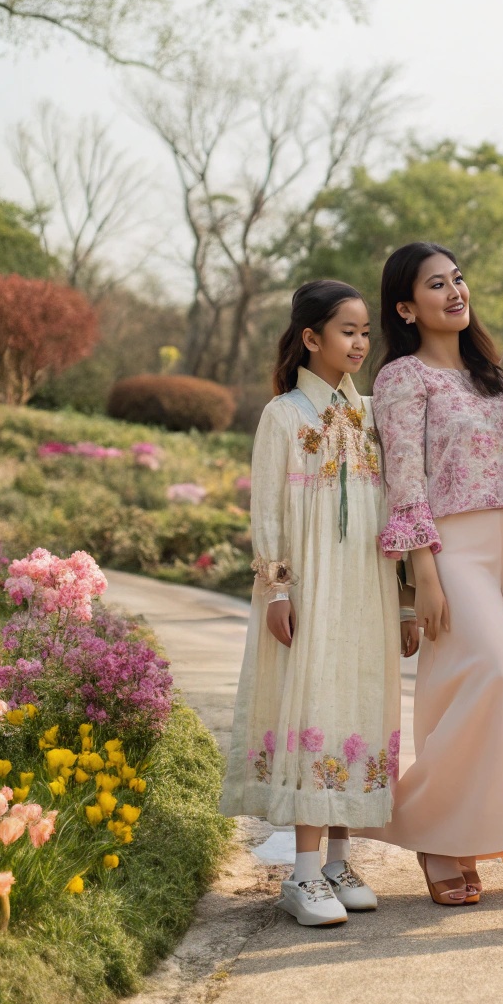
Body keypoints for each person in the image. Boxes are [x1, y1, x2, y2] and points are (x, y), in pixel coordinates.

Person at [371, 242, 503, 905]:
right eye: (435, 285)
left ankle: (462, 835)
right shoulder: (402, 378)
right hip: (452, 547)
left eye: (457, 279)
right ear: (405, 306)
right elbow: (404, 476)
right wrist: (421, 570)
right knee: (493, 672)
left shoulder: (494, 373)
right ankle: (426, 824)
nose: (455, 292)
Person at [221, 279, 411, 928]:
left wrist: (407, 600)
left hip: (367, 587)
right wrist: (277, 587)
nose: (360, 343)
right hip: (310, 584)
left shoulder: (371, 416)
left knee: (354, 701)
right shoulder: (284, 416)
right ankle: (301, 875)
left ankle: (338, 861)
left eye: (365, 332)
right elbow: (268, 509)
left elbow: (394, 508)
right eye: (347, 331)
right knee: (313, 703)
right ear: (311, 338)